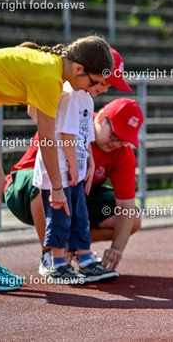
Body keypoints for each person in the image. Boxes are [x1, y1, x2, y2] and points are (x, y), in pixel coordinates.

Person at [0, 36, 113, 292]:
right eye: (93, 82)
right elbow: (47, 141)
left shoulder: (50, 66)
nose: (93, 89)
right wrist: (58, 188)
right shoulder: (50, 77)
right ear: (79, 69)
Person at [5, 97, 144, 275]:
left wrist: (117, 249)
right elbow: (33, 110)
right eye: (115, 135)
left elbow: (126, 206)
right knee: (49, 181)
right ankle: (51, 255)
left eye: (123, 140)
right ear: (101, 118)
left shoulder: (122, 153)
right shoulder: (72, 122)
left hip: (74, 193)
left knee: (132, 219)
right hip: (25, 191)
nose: (116, 144)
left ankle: (77, 245)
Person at [33, 78, 118, 284]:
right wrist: (73, 166)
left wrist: (89, 164)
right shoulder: (70, 94)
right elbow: (66, 133)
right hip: (59, 171)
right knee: (59, 217)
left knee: (80, 217)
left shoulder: (87, 98)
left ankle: (86, 261)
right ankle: (58, 265)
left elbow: (86, 136)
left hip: (75, 171)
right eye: (102, 83)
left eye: (108, 85)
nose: (105, 89)